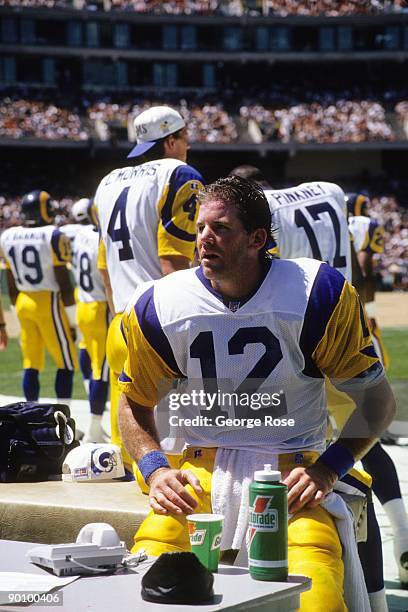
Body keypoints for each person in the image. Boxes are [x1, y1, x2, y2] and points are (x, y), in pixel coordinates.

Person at [118, 176, 396, 610]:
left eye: (220, 228)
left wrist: (329, 469)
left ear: (257, 238)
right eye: (201, 227)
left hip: (290, 473)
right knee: (146, 587)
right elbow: (134, 404)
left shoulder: (314, 294)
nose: (204, 239)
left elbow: (377, 402)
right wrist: (155, 470)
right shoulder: (162, 302)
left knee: (316, 595)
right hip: (200, 473)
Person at [229, 166, 391, 608]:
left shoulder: (265, 220)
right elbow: (357, 271)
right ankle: (381, 585)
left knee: (346, 475)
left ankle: (370, 594)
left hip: (304, 334)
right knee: (361, 458)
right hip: (345, 318)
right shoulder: (330, 190)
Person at [94, 105, 204, 471]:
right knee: (170, 463)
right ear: (170, 140)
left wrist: (119, 318)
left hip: (121, 320)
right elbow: (172, 262)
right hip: (161, 324)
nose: (188, 146)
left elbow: (105, 267)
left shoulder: (108, 182)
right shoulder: (178, 174)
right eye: (185, 138)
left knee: (125, 457)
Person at [347, 191, 408, 589]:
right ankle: (402, 539)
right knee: (362, 441)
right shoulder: (361, 225)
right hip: (352, 331)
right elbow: (364, 287)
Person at [0, 190, 77, 402]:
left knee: (31, 362)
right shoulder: (52, 234)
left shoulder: (7, 236)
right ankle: (64, 414)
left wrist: (16, 308)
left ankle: (30, 413)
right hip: (48, 301)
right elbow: (64, 282)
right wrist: (72, 320)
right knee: (66, 362)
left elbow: (10, 280)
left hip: (23, 301)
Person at [72, 198, 110, 443]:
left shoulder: (78, 234)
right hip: (99, 306)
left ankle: (90, 401)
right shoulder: (100, 239)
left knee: (86, 352)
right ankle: (95, 426)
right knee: (103, 370)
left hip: (83, 303)